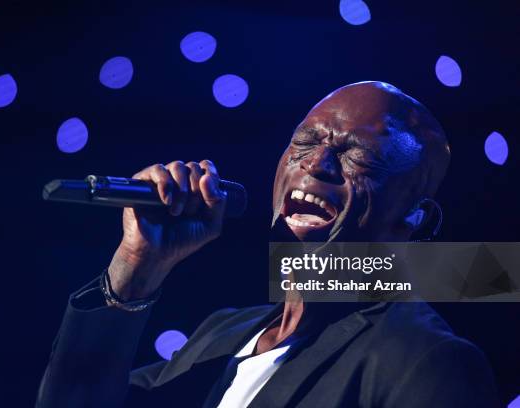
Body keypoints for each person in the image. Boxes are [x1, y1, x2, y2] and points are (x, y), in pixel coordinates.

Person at [36, 81, 499, 407]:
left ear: (414, 218)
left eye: (358, 154)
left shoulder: (427, 360)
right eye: (304, 142)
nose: (317, 163)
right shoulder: (220, 335)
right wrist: (139, 264)